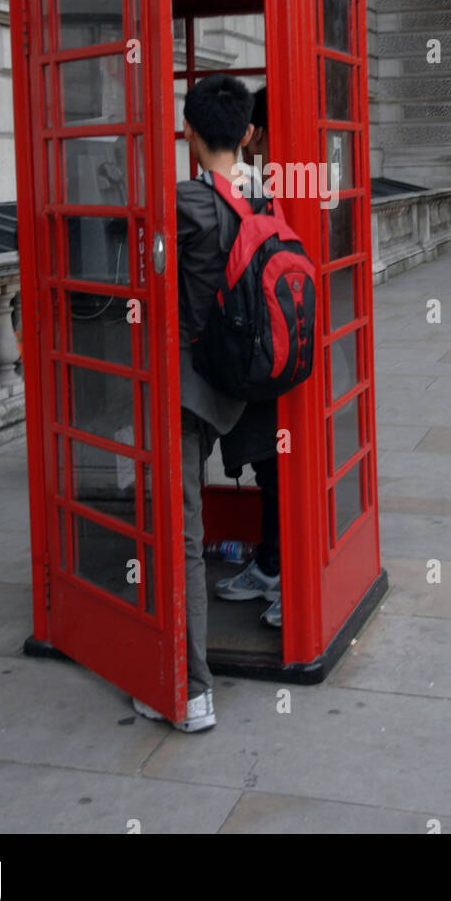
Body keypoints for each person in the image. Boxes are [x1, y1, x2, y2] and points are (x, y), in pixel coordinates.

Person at [133, 73, 261, 733]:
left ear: (186, 130)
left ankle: (189, 689)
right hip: (238, 386)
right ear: (245, 133)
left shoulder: (180, 203)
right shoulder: (260, 199)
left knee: (182, 532)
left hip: (185, 383)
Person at [216, 88, 282, 628]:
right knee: (273, 465)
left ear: (252, 133)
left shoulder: (248, 190)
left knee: (271, 464)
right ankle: (276, 563)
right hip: (295, 348)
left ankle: (276, 565)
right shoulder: (294, 185)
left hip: (261, 351)